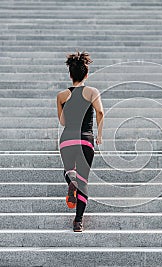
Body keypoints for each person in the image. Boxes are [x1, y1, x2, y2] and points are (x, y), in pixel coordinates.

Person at [56, 51, 104, 232]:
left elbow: (62, 122)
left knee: (69, 172)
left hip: (67, 139)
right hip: (85, 140)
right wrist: (99, 135)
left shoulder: (61, 95)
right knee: (83, 180)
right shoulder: (92, 92)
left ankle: (71, 181)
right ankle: (78, 221)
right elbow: (100, 113)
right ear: (86, 74)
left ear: (70, 74)